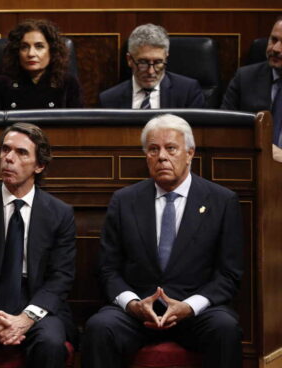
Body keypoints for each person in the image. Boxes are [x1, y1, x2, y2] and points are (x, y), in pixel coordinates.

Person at [82, 114, 243, 368]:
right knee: (100, 327)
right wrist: (133, 304)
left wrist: (189, 307)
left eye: (171, 148)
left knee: (226, 327)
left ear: (190, 153)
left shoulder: (221, 201)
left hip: (194, 313)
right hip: (138, 312)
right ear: (146, 156)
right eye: (153, 149)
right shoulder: (125, 201)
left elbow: (228, 274)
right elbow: (107, 268)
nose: (162, 157)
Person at [0, 122, 77, 368]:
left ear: (39, 166)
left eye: (21, 152)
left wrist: (26, 318)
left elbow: (61, 276)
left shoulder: (60, 214)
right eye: (5, 149)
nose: (8, 158)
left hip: (37, 303)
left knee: (50, 343)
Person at [99, 24, 205, 109]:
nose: (151, 71)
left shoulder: (188, 92)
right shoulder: (109, 100)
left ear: (166, 58)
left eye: (158, 62)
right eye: (143, 62)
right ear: (129, 60)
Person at [0, 19, 83, 110]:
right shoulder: (1, 84)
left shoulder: (67, 83)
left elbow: (78, 126)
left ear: (52, 51)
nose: (31, 54)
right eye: (24, 47)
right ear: (17, 52)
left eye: (39, 46)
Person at [221, 17, 282, 146]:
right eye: (274, 40)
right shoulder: (245, 78)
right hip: (251, 160)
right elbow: (223, 128)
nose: (276, 49)